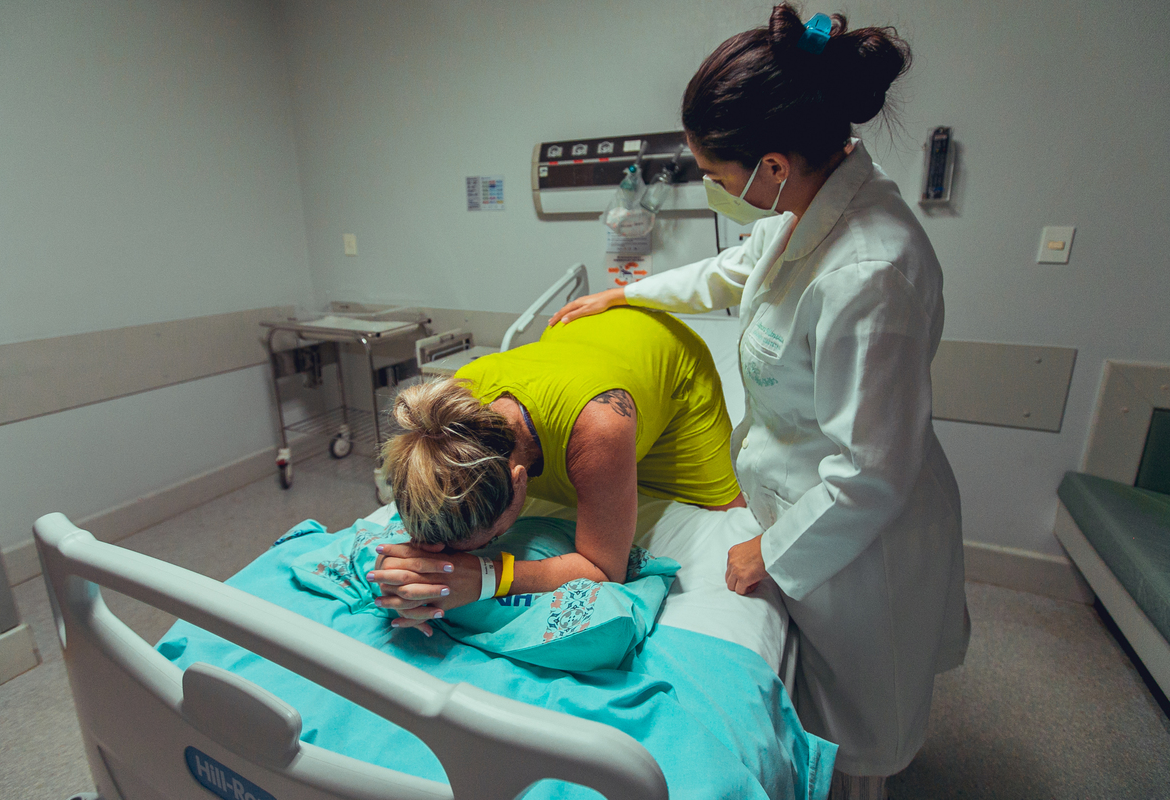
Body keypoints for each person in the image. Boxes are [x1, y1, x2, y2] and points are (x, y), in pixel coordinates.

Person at [548, 5, 969, 795]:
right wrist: (628, 301)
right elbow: (731, 272)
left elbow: (870, 476)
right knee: (807, 712)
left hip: (859, 541)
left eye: (714, 175)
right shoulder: (801, 208)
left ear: (772, 164)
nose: (712, 189)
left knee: (856, 741)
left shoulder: (869, 271)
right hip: (804, 501)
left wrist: (768, 551)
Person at [370, 306, 744, 633]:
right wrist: (409, 567)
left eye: (487, 540)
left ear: (520, 482)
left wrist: (486, 577)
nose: (464, 553)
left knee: (731, 516)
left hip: (665, 351)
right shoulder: (449, 413)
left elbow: (605, 570)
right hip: (573, 334)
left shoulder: (601, 426)